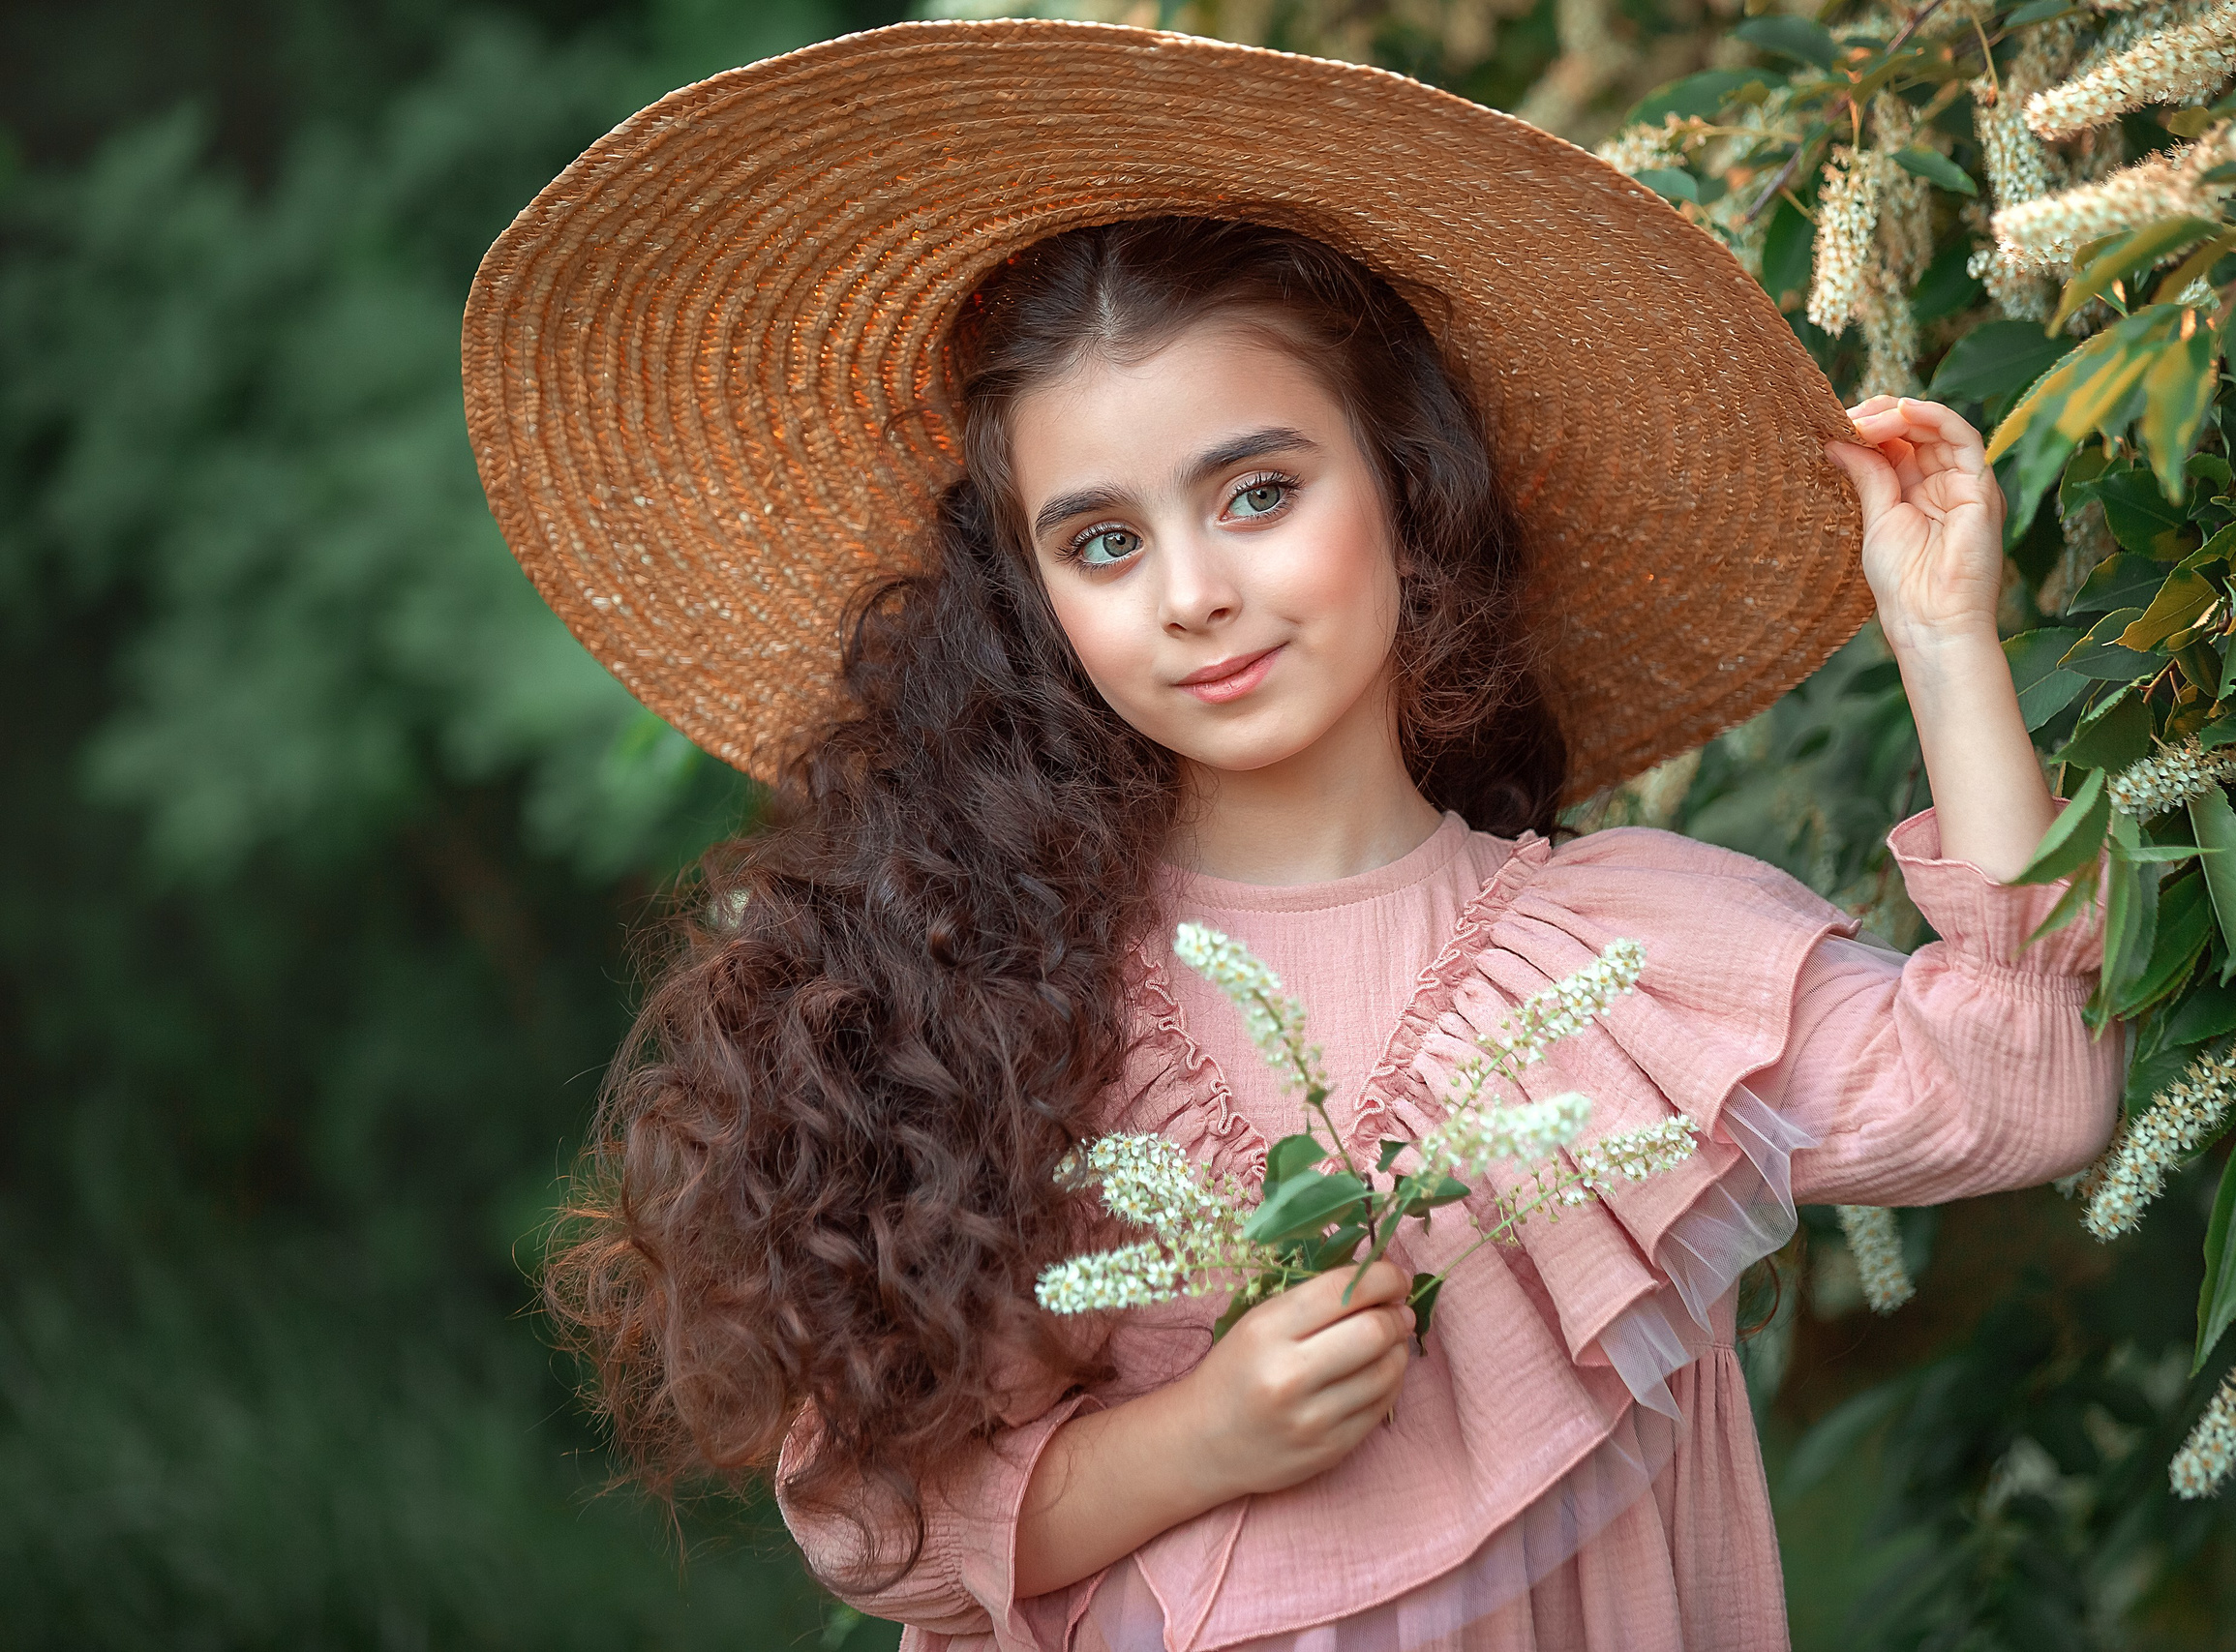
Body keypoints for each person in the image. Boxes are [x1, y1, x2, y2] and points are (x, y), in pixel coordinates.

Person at [463, 21, 2126, 1651]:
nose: (1193, 593)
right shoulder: (999, 996)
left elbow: (2027, 1082)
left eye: (1258, 492)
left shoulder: (1634, 959)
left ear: (1408, 494)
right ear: (1036, 600)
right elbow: (875, 1526)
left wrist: (1942, 640)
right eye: (1103, 541)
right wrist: (1205, 1440)